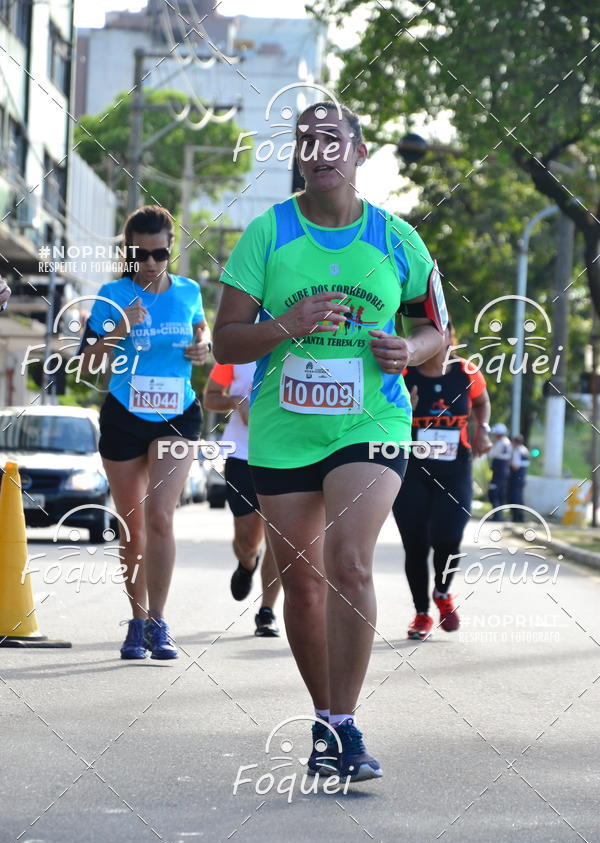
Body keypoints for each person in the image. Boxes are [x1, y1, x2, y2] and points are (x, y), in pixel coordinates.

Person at [213, 101, 444, 781]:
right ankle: (323, 718)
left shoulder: (398, 238)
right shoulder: (267, 234)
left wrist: (410, 345)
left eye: (331, 140)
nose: (318, 152)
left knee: (348, 562)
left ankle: (346, 724)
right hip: (284, 432)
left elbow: (438, 336)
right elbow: (227, 339)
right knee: (304, 585)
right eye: (305, 142)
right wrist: (287, 323)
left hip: (369, 422)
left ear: (359, 151)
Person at [80, 205, 211, 660]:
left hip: (177, 412)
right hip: (124, 414)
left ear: (171, 248)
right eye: (141, 255)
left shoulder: (190, 291)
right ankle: (136, 623)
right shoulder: (111, 293)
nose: (151, 264)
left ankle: (160, 622)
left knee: (159, 516)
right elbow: (89, 363)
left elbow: (202, 337)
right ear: (129, 252)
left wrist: (202, 348)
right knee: (132, 527)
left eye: (159, 254)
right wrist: (119, 326)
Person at [393, 323, 492, 641]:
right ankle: (422, 613)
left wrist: (483, 428)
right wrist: (406, 405)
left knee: (448, 537)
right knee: (416, 544)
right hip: (412, 470)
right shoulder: (404, 376)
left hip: (455, 468)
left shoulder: (467, 372)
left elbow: (481, 403)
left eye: (440, 331)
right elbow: (382, 416)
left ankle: (443, 592)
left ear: (450, 335)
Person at [203, 362, 280, 636]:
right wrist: (236, 401)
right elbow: (210, 397)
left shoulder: (297, 343)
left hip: (286, 452)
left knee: (279, 538)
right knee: (247, 540)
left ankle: (267, 611)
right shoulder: (237, 351)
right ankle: (247, 563)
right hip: (241, 455)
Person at [487, 423, 512, 520]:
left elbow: (491, 454)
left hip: (499, 471)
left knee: (493, 492)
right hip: (503, 470)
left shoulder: (501, 443)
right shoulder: (507, 442)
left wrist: (491, 444)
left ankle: (497, 516)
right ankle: (498, 515)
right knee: (499, 493)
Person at [508, 434, 530, 520]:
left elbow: (516, 466)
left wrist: (508, 463)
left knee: (514, 497)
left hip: (516, 477)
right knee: (519, 497)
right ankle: (520, 517)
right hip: (522, 477)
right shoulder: (525, 450)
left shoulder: (517, 451)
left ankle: (516, 517)